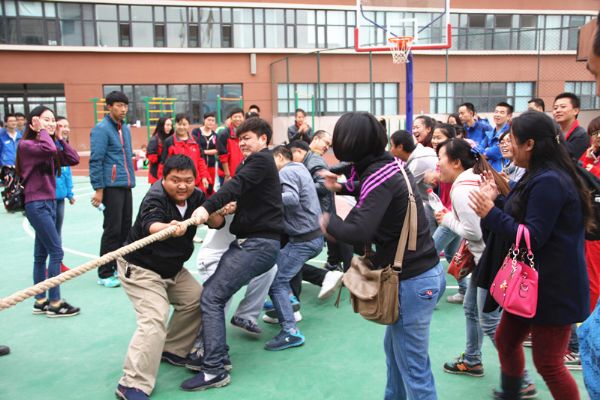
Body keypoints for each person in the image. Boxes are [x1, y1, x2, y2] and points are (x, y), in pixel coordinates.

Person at [320, 112, 444, 400]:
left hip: (412, 282)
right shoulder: (391, 165)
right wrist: (342, 186)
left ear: (351, 143)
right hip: (421, 275)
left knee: (414, 370)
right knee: (396, 354)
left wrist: (326, 221)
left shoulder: (378, 175)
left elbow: (358, 230)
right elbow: (374, 190)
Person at [469, 110, 592, 399]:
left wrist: (490, 213)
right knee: (506, 340)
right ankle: (512, 392)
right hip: (531, 284)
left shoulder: (550, 181)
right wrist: (498, 200)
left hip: (553, 288)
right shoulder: (539, 175)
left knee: (549, 363)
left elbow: (531, 237)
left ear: (530, 144)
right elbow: (524, 216)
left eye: (512, 140)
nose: (507, 145)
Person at [181, 117, 283, 392]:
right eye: (240, 139)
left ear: (264, 139)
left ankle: (213, 368)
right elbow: (245, 192)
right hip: (252, 243)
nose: (243, 143)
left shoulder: (260, 160)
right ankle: (217, 354)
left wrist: (206, 207)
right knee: (215, 294)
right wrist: (233, 206)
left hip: (257, 245)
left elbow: (235, 184)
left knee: (212, 297)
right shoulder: (257, 164)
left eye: (248, 137)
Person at [115, 155, 229, 400]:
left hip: (172, 269)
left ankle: (173, 349)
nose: (182, 186)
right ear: (163, 179)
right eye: (175, 180)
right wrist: (169, 228)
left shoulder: (196, 196)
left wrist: (215, 212)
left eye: (188, 180)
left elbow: (217, 222)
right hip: (141, 268)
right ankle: (131, 383)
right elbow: (151, 225)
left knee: (198, 299)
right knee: (154, 318)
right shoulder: (155, 197)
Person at [16, 105, 80, 317]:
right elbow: (50, 150)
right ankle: (55, 302)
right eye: (46, 120)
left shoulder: (47, 145)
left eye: (53, 120)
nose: (51, 124)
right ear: (34, 122)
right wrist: (44, 132)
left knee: (41, 254)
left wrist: (60, 138)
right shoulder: (27, 145)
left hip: (49, 203)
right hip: (37, 204)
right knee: (56, 252)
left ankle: (40, 300)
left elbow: (73, 158)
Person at [265, 145, 323, 351]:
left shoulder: (286, 171)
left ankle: (290, 331)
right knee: (272, 265)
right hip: (311, 236)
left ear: (281, 157)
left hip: (304, 240)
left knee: (276, 281)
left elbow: (291, 198)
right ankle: (285, 300)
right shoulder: (300, 168)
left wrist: (263, 199)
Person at [90, 91, 136, 288]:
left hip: (125, 185)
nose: (123, 109)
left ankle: (120, 268)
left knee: (126, 228)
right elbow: (96, 160)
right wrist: (99, 189)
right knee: (112, 230)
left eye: (125, 105)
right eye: (118, 105)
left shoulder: (124, 128)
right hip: (111, 187)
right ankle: (105, 272)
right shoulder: (101, 129)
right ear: (109, 107)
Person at [427, 124, 466, 303]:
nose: (435, 140)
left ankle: (432, 295)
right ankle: (465, 290)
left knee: (430, 253)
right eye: (434, 137)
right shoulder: (442, 161)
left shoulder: (456, 163)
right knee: (451, 255)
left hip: (451, 217)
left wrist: (434, 176)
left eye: (439, 137)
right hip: (447, 214)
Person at [390, 130, 438, 235]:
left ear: (400, 147)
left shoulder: (418, 161)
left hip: (433, 207)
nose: (390, 150)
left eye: (391, 146)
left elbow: (401, 187)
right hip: (436, 205)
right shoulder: (421, 153)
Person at [580, 116, 600, 313]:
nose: (596, 137)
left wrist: (589, 166)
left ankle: (592, 321)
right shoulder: (590, 156)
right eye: (593, 133)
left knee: (593, 277)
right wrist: (588, 159)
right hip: (590, 223)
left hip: (596, 228)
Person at [161, 113, 210, 193]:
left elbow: (201, 160)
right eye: (179, 124)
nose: (181, 127)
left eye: (184, 124)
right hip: (177, 183)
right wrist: (164, 179)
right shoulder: (169, 142)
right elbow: (164, 163)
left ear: (188, 125)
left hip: (195, 181)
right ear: (175, 125)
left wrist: (204, 177)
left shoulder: (195, 140)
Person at [54, 116, 76, 273]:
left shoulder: (64, 147)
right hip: (48, 198)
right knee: (49, 234)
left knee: (57, 232)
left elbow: (67, 173)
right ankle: (51, 264)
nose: (65, 129)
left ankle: (58, 262)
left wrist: (69, 193)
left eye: (67, 126)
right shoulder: (49, 147)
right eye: (61, 126)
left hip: (60, 197)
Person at [553, 92, 589, 160]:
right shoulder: (553, 132)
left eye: (563, 107)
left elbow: (567, 159)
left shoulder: (581, 135)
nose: (557, 110)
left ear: (576, 111)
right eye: (555, 108)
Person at [192, 112, 220, 195]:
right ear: (204, 120)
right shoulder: (196, 132)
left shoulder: (215, 135)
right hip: (199, 165)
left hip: (211, 164)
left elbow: (218, 149)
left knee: (210, 187)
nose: (211, 122)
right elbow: (195, 147)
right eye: (209, 120)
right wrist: (207, 152)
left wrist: (204, 152)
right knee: (200, 186)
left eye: (213, 120)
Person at [481, 102, 512, 172]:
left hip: (502, 172)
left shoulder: (509, 134)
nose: (498, 115)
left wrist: (486, 150)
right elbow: (479, 151)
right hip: (488, 170)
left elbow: (494, 153)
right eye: (496, 112)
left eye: (502, 112)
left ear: (509, 116)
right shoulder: (489, 134)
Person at [217, 107, 245, 182]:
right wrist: (227, 175)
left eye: (240, 117)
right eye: (235, 117)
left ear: (243, 118)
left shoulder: (246, 133)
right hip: (228, 174)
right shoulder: (224, 134)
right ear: (231, 118)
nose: (238, 119)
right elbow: (223, 155)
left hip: (243, 172)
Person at [146, 117, 173, 184]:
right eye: (167, 125)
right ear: (161, 125)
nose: (169, 127)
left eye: (171, 125)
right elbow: (152, 158)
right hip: (156, 174)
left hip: (169, 172)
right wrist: (164, 157)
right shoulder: (154, 140)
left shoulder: (172, 138)